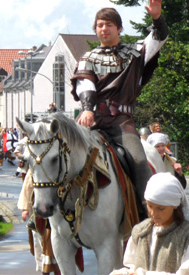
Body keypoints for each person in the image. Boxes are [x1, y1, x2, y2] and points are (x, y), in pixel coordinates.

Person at [71, 0, 168, 217]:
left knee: (140, 161)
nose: (103, 29)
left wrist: (156, 17)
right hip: (91, 121)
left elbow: (159, 37)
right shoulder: (86, 59)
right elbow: (85, 85)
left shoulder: (135, 53)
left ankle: (147, 215)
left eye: (108, 24)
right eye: (99, 25)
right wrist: (87, 108)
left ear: (119, 28)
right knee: (60, 153)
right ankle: (48, 215)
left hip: (121, 123)